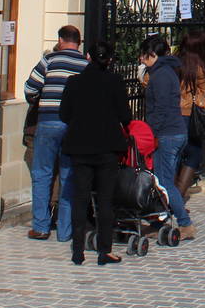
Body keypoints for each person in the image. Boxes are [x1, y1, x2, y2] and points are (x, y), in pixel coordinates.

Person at [59, 39, 130, 266]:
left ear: (88, 56)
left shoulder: (74, 82)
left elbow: (64, 114)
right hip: (107, 148)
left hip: (80, 146)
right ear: (109, 59)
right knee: (105, 200)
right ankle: (104, 250)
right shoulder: (114, 81)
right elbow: (125, 116)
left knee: (80, 199)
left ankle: (78, 250)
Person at [23, 25, 88, 241]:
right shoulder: (85, 65)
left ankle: (41, 227)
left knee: (42, 173)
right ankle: (65, 230)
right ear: (78, 42)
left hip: (49, 122)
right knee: (69, 176)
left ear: (60, 40)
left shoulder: (49, 60)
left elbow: (30, 88)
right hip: (74, 126)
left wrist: (41, 100)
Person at [140, 35, 195, 239]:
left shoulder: (161, 75)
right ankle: (160, 219)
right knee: (163, 180)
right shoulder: (166, 71)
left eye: (144, 56)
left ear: (153, 54)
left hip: (167, 134)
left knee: (164, 182)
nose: (141, 60)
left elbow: (160, 109)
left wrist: (151, 134)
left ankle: (184, 223)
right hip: (174, 131)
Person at [174, 28, 205, 200]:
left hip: (173, 112)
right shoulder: (199, 68)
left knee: (174, 152)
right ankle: (178, 194)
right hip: (189, 114)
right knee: (194, 153)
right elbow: (203, 93)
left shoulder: (174, 62)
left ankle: (170, 192)